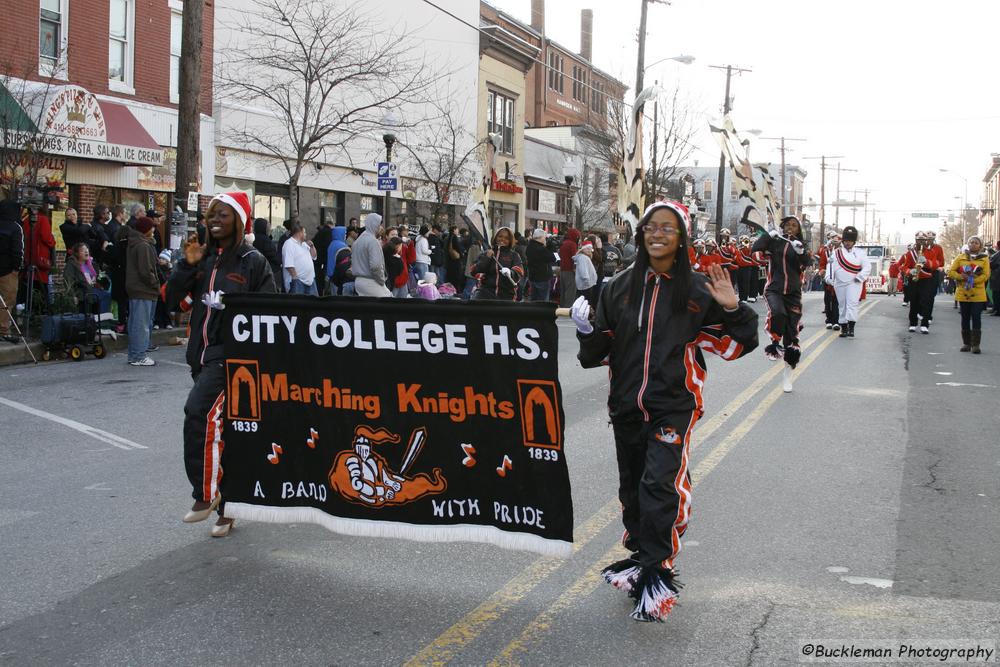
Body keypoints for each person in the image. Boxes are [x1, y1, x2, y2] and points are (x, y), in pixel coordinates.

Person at [573, 200, 758, 622]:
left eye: (668, 228)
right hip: (625, 405)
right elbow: (597, 353)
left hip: (673, 405)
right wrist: (587, 331)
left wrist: (732, 308)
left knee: (660, 483)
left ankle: (658, 569)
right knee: (634, 488)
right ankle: (641, 557)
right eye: (651, 227)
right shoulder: (618, 287)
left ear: (682, 237)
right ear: (641, 233)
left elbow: (735, 345)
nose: (657, 234)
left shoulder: (696, 290)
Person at [166, 191, 276, 537]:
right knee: (227, 434)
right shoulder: (202, 259)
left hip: (230, 359)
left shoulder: (252, 261)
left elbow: (270, 312)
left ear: (239, 220)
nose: (215, 220)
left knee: (197, 411)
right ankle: (229, 507)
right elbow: (172, 301)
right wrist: (186, 266)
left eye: (223, 215)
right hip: (199, 356)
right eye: (212, 214)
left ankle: (205, 495)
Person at [752, 216, 812, 377]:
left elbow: (807, 263)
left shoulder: (800, 246)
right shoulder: (775, 242)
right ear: (783, 227)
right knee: (778, 313)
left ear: (799, 230)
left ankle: (788, 373)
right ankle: (774, 343)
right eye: (788, 225)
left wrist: (801, 253)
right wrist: (767, 236)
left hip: (793, 293)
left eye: (794, 225)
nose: (791, 228)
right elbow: (755, 252)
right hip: (774, 289)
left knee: (791, 333)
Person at [947, 236, 991, 354]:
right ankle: (966, 343)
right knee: (965, 317)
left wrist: (972, 280)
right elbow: (951, 271)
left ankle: (976, 345)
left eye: (976, 243)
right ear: (968, 244)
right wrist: (962, 277)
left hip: (978, 292)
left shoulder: (984, 259)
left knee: (976, 316)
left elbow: (986, 275)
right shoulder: (960, 257)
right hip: (963, 292)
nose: (973, 244)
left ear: (980, 246)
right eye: (971, 242)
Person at [826, 226, 869, 338]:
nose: (847, 243)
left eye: (850, 241)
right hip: (839, 283)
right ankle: (844, 328)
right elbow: (830, 266)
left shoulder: (860, 253)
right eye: (846, 240)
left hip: (854, 283)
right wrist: (829, 278)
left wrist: (860, 277)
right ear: (843, 241)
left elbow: (867, 267)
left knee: (852, 304)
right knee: (842, 305)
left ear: (854, 241)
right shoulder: (836, 253)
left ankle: (851, 328)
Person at [898, 231, 943, 333]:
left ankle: (925, 324)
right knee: (914, 301)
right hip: (914, 278)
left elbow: (936, 264)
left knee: (926, 301)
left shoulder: (930, 252)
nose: (921, 242)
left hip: (926, 279)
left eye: (923, 240)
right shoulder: (910, 253)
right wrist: (910, 271)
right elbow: (902, 266)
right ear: (916, 241)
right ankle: (913, 323)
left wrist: (926, 262)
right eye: (919, 240)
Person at [474, 227, 524, 301]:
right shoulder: (487, 253)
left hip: (506, 296)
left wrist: (511, 272)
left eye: (506, 238)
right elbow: (474, 270)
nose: (502, 239)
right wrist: (486, 258)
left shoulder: (514, 255)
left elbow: (520, 271)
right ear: (495, 237)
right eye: (500, 236)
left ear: (510, 240)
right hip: (485, 294)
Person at [0, 200, 24, 341]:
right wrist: (17, 268)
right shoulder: (15, 227)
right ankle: (3, 330)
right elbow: (18, 251)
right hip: (8, 270)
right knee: (7, 301)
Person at [351, 213, 392, 297]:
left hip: (359, 282)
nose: (381, 228)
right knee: (388, 305)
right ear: (375, 225)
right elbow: (375, 266)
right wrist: (382, 280)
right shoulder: (373, 241)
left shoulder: (358, 241)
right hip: (371, 282)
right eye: (380, 225)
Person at [281, 222, 318, 295]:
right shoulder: (289, 244)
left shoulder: (304, 244)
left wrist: (312, 247)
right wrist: (295, 278)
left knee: (314, 305)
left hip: (310, 281)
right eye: (304, 232)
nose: (306, 234)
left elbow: (314, 256)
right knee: (298, 305)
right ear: (299, 232)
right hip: (298, 282)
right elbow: (289, 265)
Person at [817, 232, 841, 330]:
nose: (833, 239)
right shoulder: (825, 250)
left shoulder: (841, 250)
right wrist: (822, 271)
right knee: (827, 299)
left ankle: (836, 321)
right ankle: (829, 320)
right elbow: (822, 263)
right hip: (827, 277)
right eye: (831, 238)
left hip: (838, 277)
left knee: (836, 300)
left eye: (835, 237)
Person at [526, 227, 553, 301]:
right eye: (544, 238)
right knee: (543, 301)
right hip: (542, 278)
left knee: (534, 299)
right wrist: (549, 247)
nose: (545, 240)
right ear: (540, 238)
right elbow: (552, 258)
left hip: (533, 277)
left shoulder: (529, 246)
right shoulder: (541, 249)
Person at [326, 226, 354, 295]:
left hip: (330, 276)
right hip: (339, 278)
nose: (345, 235)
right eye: (344, 234)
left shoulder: (332, 244)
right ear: (339, 234)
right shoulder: (342, 246)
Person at [311, 217, 334, 295]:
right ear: (331, 225)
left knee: (318, 280)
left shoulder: (320, 232)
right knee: (321, 281)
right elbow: (327, 247)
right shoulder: (328, 233)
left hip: (317, 260)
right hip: (322, 261)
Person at [558, 228, 580, 307]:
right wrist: (575, 269)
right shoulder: (572, 244)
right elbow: (574, 258)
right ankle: (567, 311)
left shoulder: (563, 243)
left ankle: (562, 309)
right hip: (570, 271)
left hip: (562, 270)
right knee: (570, 292)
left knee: (563, 292)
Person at [574, 241, 598, 307]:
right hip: (586, 286)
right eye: (587, 248)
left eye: (590, 248)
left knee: (584, 304)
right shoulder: (583, 258)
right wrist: (587, 282)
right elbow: (583, 272)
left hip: (586, 285)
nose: (589, 250)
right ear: (583, 249)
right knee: (585, 304)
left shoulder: (584, 257)